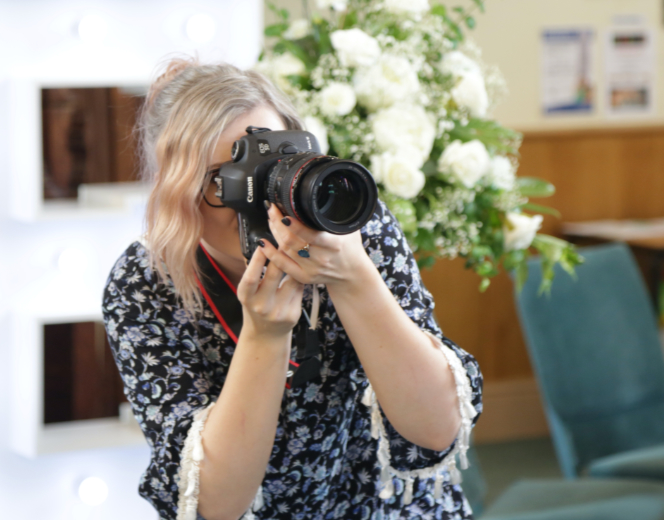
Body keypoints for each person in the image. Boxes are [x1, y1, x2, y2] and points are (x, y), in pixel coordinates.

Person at [102, 57, 482, 520]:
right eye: (227, 180)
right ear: (175, 190)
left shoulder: (349, 226)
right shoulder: (145, 282)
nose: (262, 197)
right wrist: (264, 335)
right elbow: (214, 505)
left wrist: (354, 276)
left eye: (274, 165)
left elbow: (437, 428)